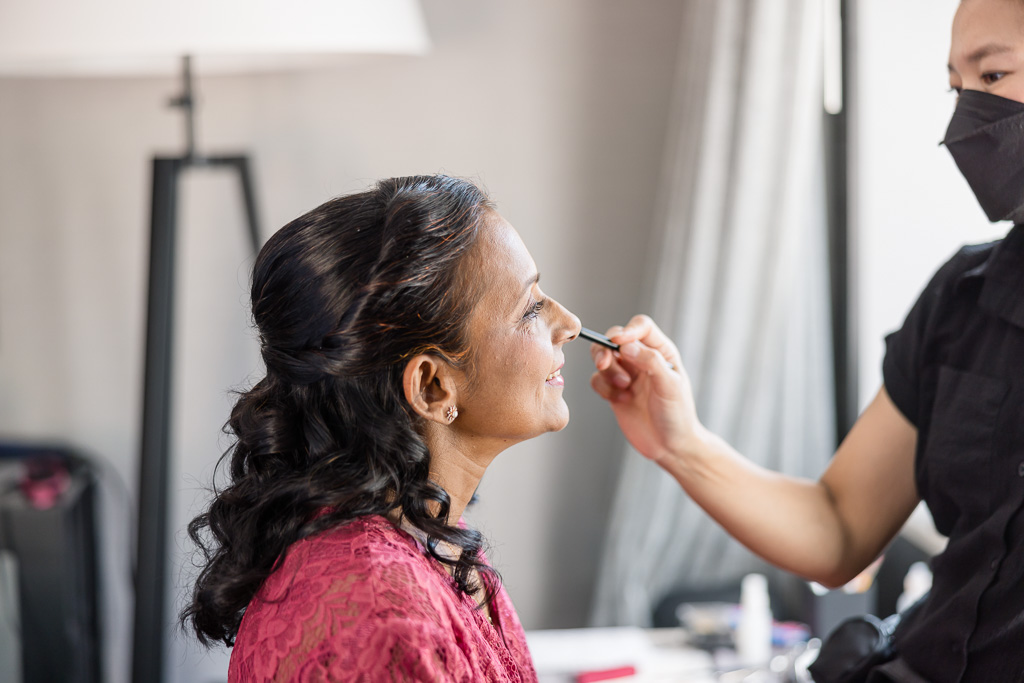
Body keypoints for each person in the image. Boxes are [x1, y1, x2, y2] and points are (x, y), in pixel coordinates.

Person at [588, 1, 1024, 681]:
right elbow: (839, 527)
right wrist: (681, 441)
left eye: (993, 76)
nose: (964, 118)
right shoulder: (958, 301)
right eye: (955, 88)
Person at [182, 175, 580, 682]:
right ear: (434, 387)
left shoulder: (431, 540)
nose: (569, 322)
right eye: (530, 308)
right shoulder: (387, 622)